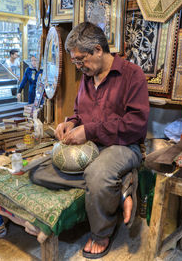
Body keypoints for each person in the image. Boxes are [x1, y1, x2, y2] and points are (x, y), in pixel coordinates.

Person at [55, 22, 149, 258]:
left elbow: (135, 125)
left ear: (98, 49)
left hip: (124, 145)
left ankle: (101, 233)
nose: (78, 67)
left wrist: (90, 131)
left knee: (97, 174)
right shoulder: (87, 77)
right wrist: (71, 123)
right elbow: (79, 113)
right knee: (47, 166)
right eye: (75, 62)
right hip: (94, 146)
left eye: (80, 60)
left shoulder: (132, 75)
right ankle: (120, 190)